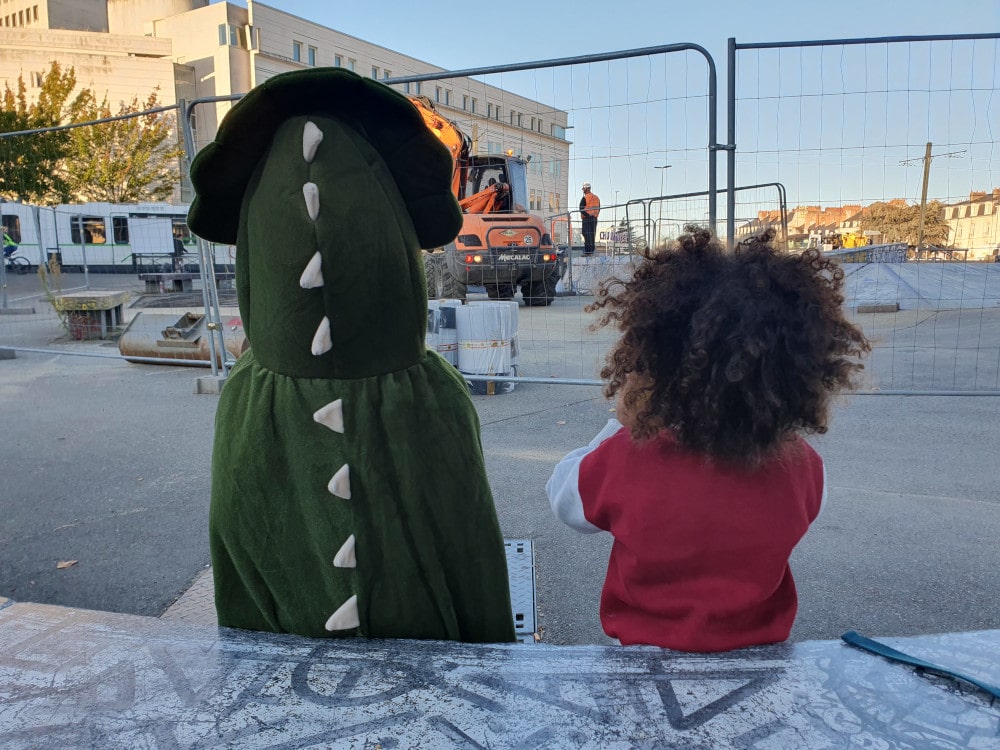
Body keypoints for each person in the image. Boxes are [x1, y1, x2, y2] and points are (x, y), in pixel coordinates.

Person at [546, 226, 870, 653]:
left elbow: (563, 499)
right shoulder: (803, 466)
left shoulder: (626, 458)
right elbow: (806, 512)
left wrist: (624, 423)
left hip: (646, 660)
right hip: (761, 659)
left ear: (652, 358)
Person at [579, 182, 600, 255]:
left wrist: (587, 215)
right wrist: (594, 215)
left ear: (585, 189)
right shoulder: (596, 198)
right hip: (594, 219)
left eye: (583, 189)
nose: (583, 191)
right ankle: (592, 251)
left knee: (586, 234)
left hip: (587, 219)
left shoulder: (585, 198)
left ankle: (588, 252)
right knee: (592, 235)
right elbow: (598, 208)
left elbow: (581, 209)